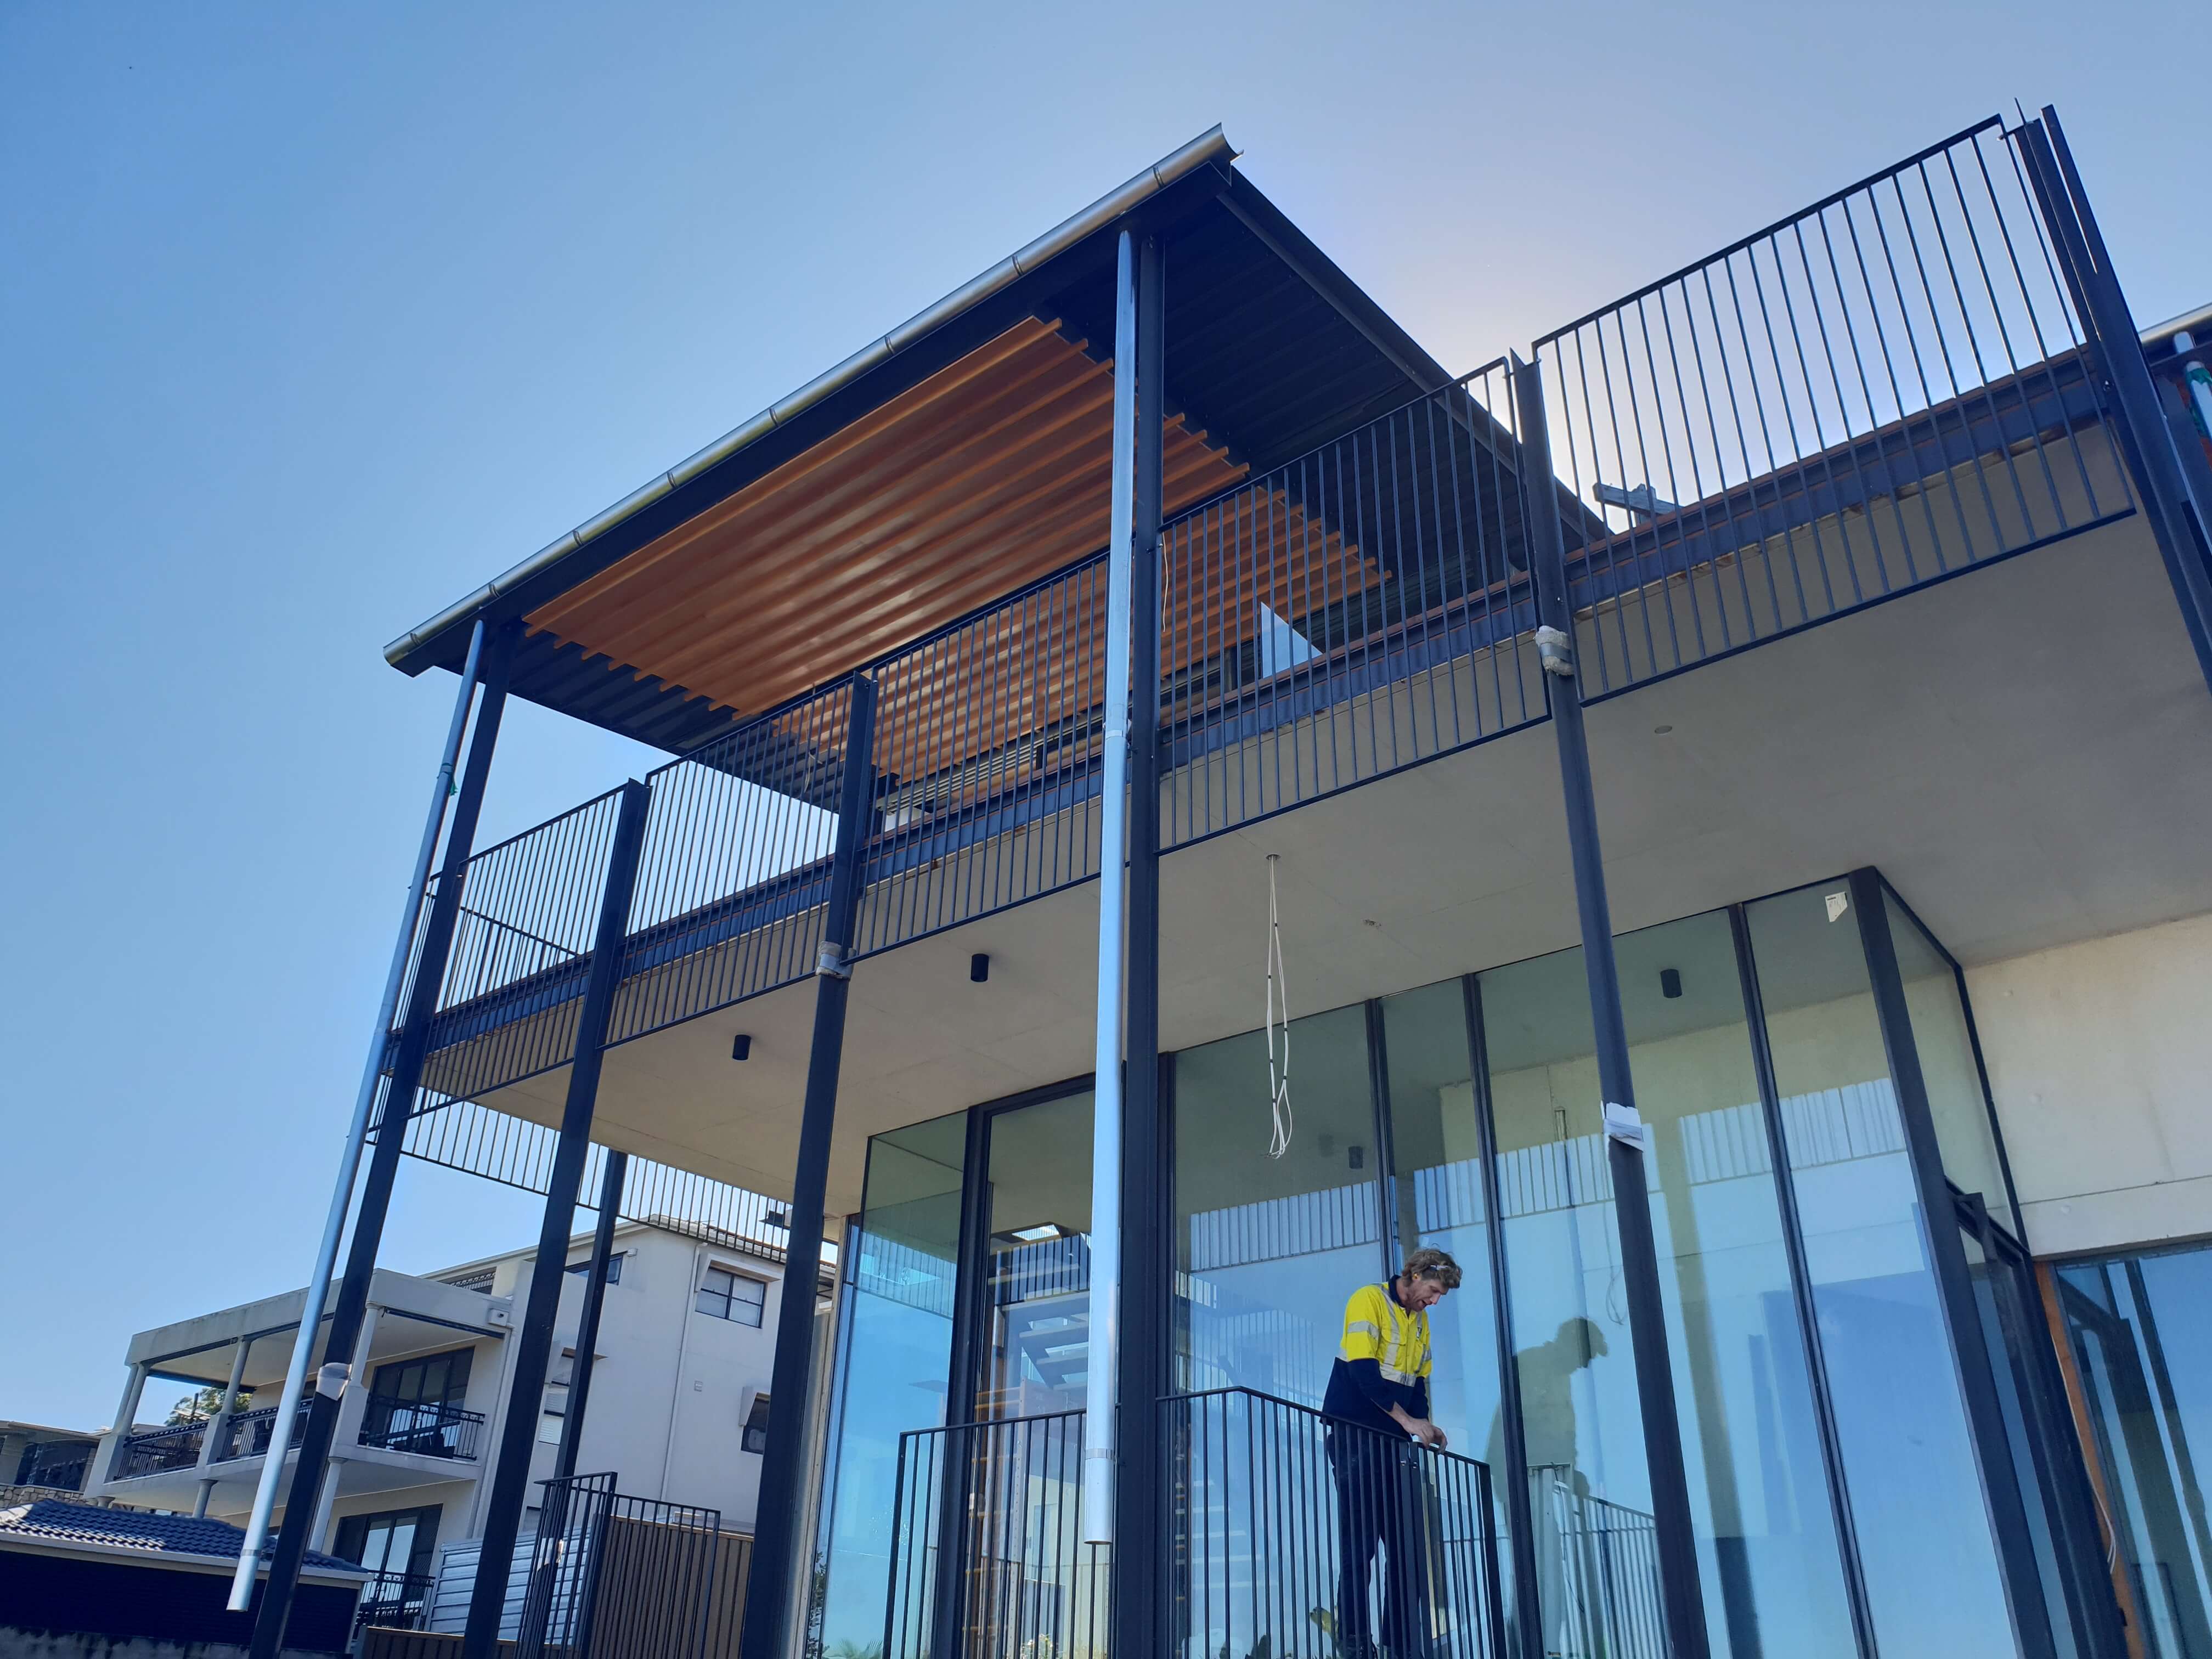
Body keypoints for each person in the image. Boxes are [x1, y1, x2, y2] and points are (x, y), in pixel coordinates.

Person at [1323, 1247, 1462, 1658]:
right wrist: (1409, 1423)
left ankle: (1399, 1643)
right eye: (1433, 1291)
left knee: (1405, 1549)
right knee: (1360, 1546)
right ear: (1416, 1275)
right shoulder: (1368, 1300)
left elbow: (1417, 1384)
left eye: (1440, 1298)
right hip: (1355, 1437)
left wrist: (1426, 1426)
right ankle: (1354, 1643)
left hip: (1391, 1444)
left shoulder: (1420, 1323)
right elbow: (1363, 1372)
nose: (1434, 1302)